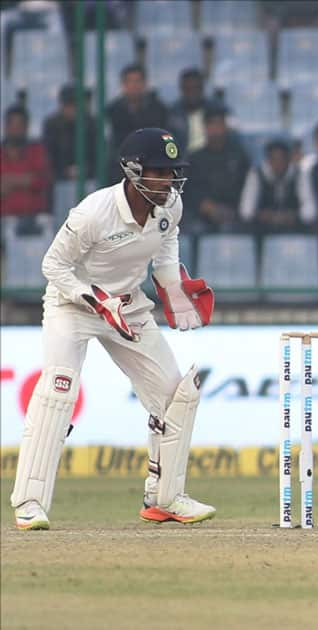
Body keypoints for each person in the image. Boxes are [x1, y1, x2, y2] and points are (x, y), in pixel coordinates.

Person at [10, 127, 216, 530]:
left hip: (130, 308)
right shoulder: (93, 212)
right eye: (159, 171)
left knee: (176, 394)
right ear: (133, 170)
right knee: (57, 392)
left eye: (172, 171)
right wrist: (93, 298)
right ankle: (30, 503)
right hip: (73, 305)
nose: (168, 180)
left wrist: (173, 287)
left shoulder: (170, 204)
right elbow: (52, 266)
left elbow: (166, 241)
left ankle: (166, 498)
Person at [183, 104, 251, 233]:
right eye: (211, 124)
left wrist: (232, 209)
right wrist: (206, 207)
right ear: (205, 127)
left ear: (225, 126)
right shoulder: (195, 158)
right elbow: (189, 191)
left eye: (219, 124)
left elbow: (247, 188)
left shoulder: (239, 156)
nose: (216, 129)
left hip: (234, 213)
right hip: (202, 216)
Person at [106, 64, 168, 182]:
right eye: (129, 81)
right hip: (120, 169)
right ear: (123, 85)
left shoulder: (158, 110)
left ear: (145, 84)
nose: (134, 86)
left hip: (150, 169)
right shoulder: (113, 111)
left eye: (137, 81)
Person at [0, 105, 52, 233]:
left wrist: (11, 181)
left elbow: (43, 180)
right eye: (12, 125)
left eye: (19, 126)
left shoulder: (36, 151)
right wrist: (26, 180)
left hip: (33, 219)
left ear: (26, 127)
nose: (15, 130)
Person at [240, 138, 306, 233]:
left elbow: (310, 210)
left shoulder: (299, 174)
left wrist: (293, 216)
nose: (278, 164)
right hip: (262, 232)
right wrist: (262, 215)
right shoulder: (256, 175)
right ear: (268, 160)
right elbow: (246, 210)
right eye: (274, 159)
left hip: (293, 231)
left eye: (282, 159)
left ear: (288, 159)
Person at [42, 85, 97, 180]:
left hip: (89, 179)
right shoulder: (53, 125)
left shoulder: (91, 124)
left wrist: (86, 170)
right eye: (71, 105)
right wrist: (64, 171)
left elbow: (98, 156)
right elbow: (49, 156)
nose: (75, 109)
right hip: (59, 180)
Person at [166, 68, 218, 154]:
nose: (192, 93)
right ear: (182, 89)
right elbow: (167, 142)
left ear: (202, 88)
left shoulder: (215, 111)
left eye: (195, 88)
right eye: (188, 89)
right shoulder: (173, 114)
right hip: (181, 162)